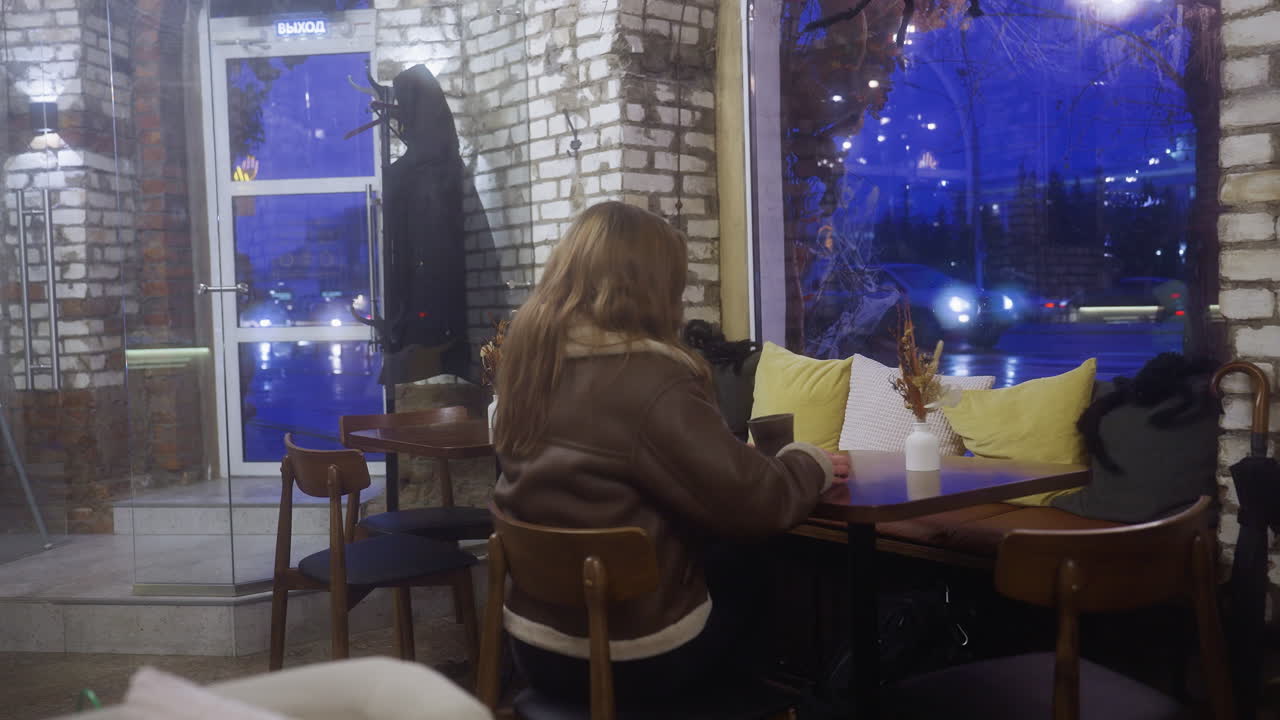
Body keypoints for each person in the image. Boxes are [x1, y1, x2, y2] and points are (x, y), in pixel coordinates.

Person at [492, 201, 849, 706]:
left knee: (723, 557)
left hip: (535, 647)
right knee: (754, 560)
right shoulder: (648, 378)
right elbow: (758, 501)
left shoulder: (531, 367)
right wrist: (808, 461)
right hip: (632, 659)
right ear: (653, 285)